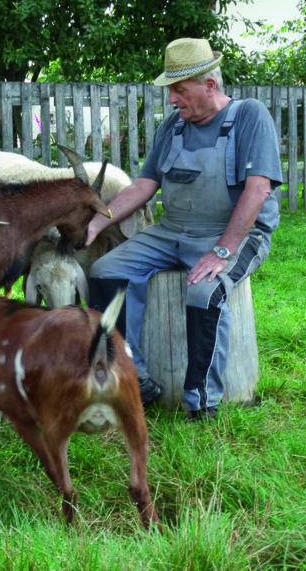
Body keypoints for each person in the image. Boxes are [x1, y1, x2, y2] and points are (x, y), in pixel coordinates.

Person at [86, 37, 282, 422]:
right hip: (172, 231)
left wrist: (222, 251)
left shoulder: (249, 117)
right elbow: (145, 186)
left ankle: (202, 403)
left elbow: (259, 189)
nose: (173, 100)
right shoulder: (172, 127)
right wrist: (98, 219)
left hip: (235, 234)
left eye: (179, 90)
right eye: (171, 92)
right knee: (105, 271)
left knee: (205, 292)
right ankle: (134, 376)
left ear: (209, 85)